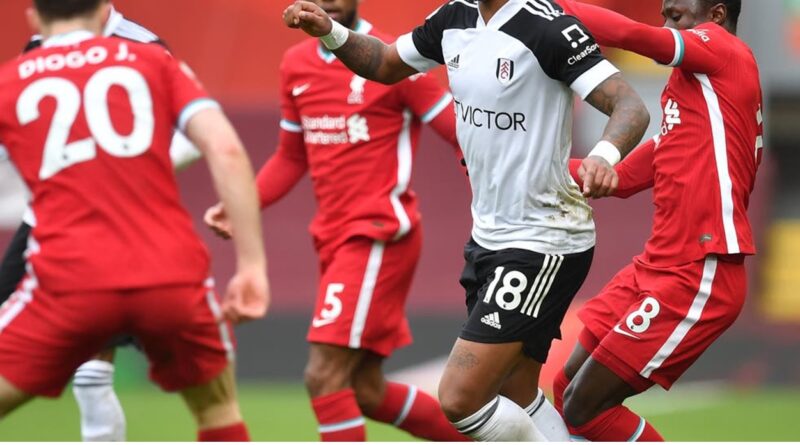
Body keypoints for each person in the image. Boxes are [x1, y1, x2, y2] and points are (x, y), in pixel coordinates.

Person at [281, 0, 650, 441]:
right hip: (488, 240)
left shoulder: (548, 27)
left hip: (544, 238)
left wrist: (603, 156)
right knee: (515, 395)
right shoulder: (452, 18)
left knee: (460, 398)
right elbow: (383, 62)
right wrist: (330, 31)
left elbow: (630, 106)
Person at [0, 0, 270, 442]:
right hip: (169, 273)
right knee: (218, 411)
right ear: (103, 13)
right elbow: (225, 148)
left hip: (69, 276)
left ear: (34, 18)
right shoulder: (152, 60)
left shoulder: (13, 80)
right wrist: (252, 266)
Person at [205, 0, 467, 441]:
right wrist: (242, 204)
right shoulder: (296, 65)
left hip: (379, 234)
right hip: (334, 239)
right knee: (365, 389)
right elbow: (291, 157)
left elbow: (461, 132)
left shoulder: (393, 57)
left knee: (323, 376)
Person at [553, 0, 763, 441]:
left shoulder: (726, 52)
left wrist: (550, 9)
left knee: (584, 408)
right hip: (656, 266)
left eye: (676, 16)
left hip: (701, 270)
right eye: (664, 15)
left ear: (716, 16)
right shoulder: (694, 99)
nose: (666, 24)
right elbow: (622, 179)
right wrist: (524, 169)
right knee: (566, 388)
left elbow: (633, 36)